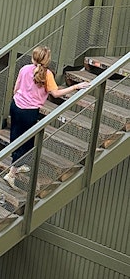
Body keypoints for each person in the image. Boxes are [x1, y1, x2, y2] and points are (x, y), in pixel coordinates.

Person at [5, 47, 87, 187]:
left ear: (33, 58)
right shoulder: (47, 74)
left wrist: (20, 98)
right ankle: (12, 173)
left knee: (16, 136)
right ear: (47, 60)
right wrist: (75, 87)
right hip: (29, 112)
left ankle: (17, 165)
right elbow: (55, 94)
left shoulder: (24, 69)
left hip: (16, 106)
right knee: (27, 142)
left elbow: (16, 88)